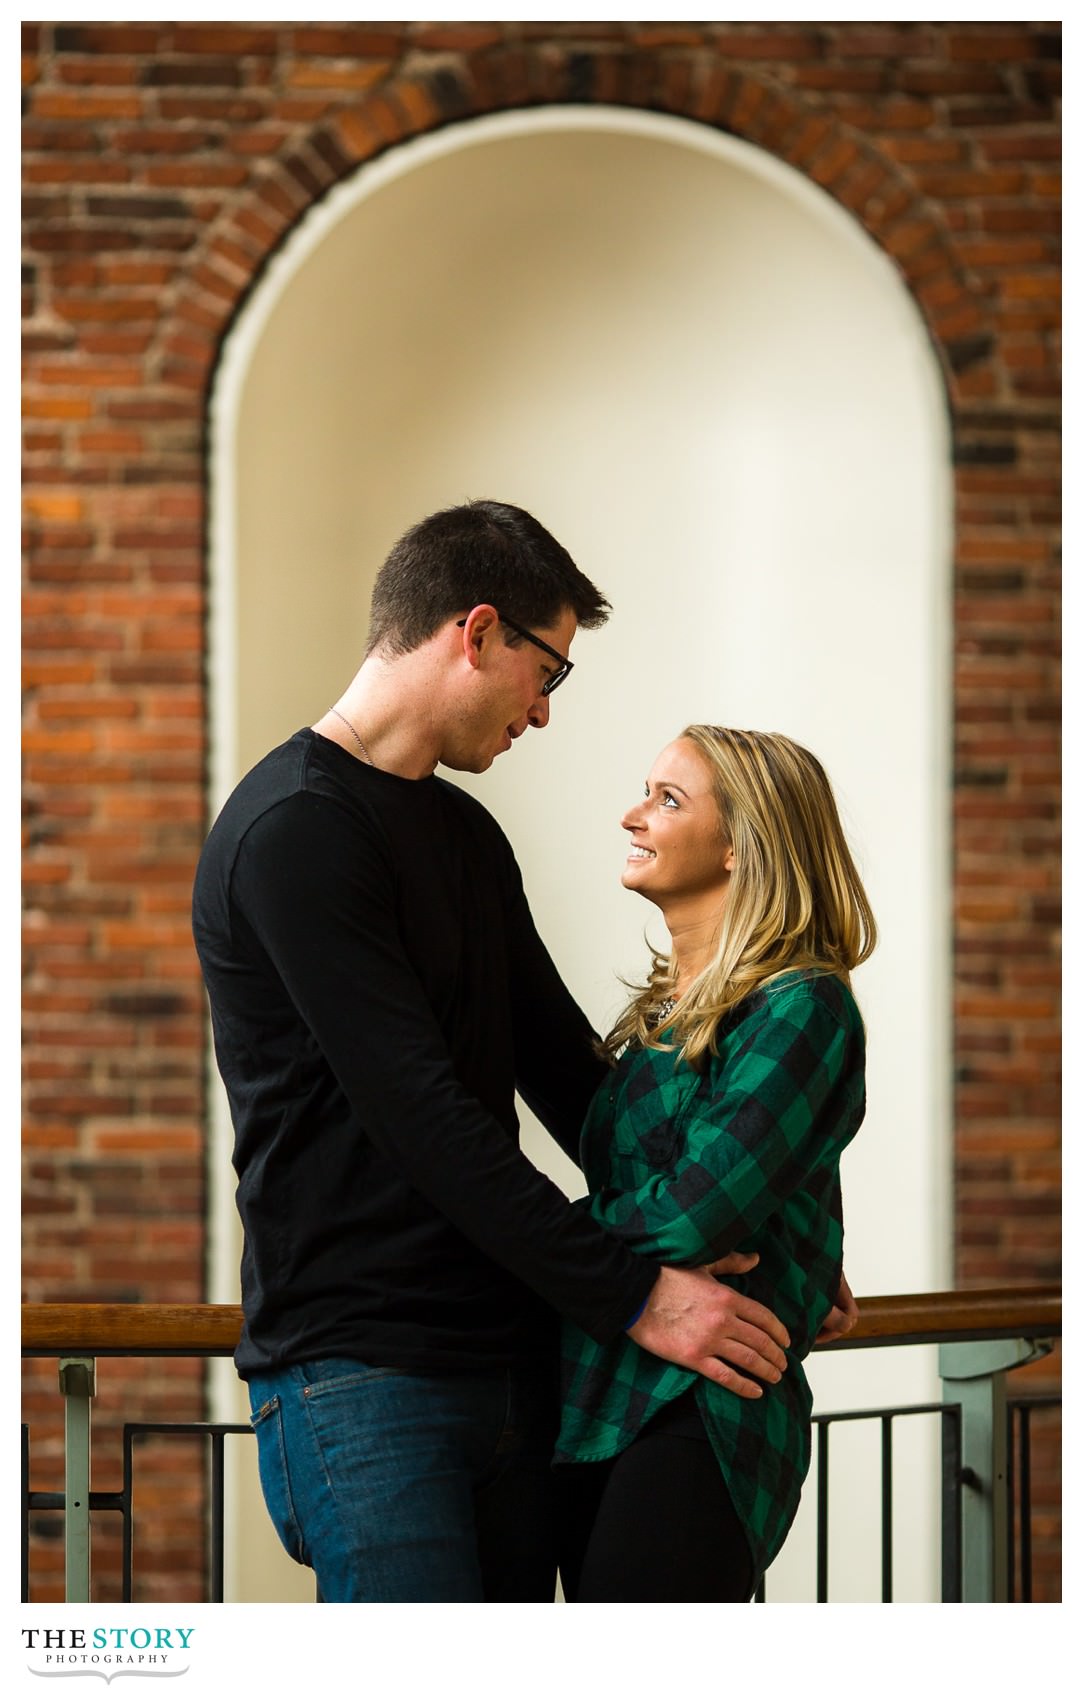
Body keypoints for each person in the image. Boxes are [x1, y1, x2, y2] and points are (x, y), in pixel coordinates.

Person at [191, 501, 819, 1604]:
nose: (543, 708)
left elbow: (573, 1074)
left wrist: (755, 1225)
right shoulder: (292, 830)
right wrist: (638, 1293)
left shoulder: (467, 834)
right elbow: (422, 1119)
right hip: (363, 1370)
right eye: (548, 671)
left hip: (516, 1352)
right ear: (476, 631)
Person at [555, 724, 876, 1603]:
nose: (633, 815)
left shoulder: (801, 1005)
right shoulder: (658, 1020)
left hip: (707, 1404)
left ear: (740, 843)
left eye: (667, 799)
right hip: (601, 1393)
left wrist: (542, 1240)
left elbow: (698, 1214)